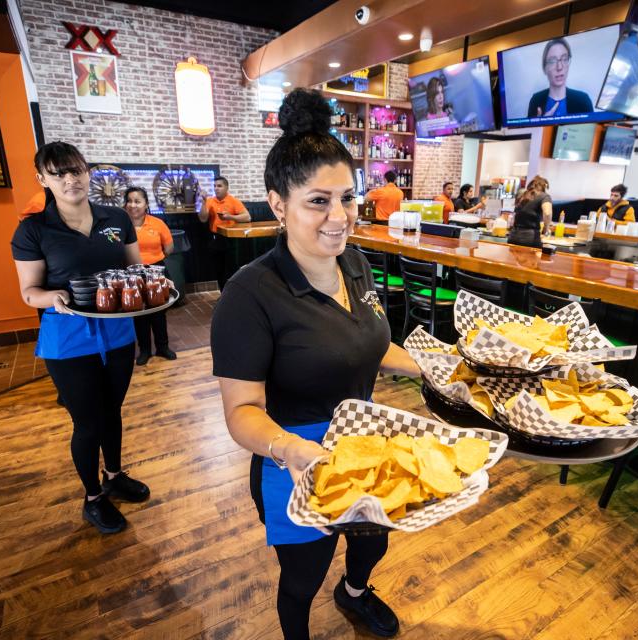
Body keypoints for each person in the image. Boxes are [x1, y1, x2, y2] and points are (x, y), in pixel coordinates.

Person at [210, 88, 421, 640]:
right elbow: (242, 413)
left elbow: (366, 345)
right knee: (303, 574)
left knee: (373, 540)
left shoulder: (353, 263)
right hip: (295, 455)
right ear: (278, 204)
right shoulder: (250, 294)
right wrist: (290, 449)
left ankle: (353, 593)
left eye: (348, 198)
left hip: (367, 442)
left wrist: (436, 370)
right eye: (318, 201)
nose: (340, 217)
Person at [11, 141, 150, 535]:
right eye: (58, 173)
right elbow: (29, 292)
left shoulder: (115, 218)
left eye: (76, 170)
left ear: (88, 172)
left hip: (119, 335)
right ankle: (93, 498)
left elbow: (133, 271)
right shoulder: (34, 230)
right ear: (43, 180)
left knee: (113, 412)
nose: (70, 179)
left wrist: (152, 287)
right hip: (69, 341)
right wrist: (52, 297)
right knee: (88, 423)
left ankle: (115, 474)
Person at [123, 187, 177, 365]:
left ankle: (163, 347)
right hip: (132, 273)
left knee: (159, 312)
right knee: (139, 313)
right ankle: (144, 350)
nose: (133, 205)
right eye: (129, 201)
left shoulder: (157, 223)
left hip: (156, 271)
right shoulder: (121, 224)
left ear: (146, 204)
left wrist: (154, 261)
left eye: (137, 201)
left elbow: (169, 248)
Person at [199, 176, 250, 289]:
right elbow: (203, 218)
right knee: (219, 270)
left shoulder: (233, 201)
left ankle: (235, 293)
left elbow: (247, 217)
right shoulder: (209, 201)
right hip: (215, 238)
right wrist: (203, 202)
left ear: (226, 187)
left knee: (233, 269)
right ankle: (223, 295)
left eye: (219, 186)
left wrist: (230, 217)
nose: (216, 188)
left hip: (232, 239)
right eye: (215, 186)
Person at [526, 37, 594, 119]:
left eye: (564, 59)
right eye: (552, 61)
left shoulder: (583, 100)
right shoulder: (536, 100)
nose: (559, 67)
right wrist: (538, 125)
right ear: (544, 68)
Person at [508, 174, 553, 248]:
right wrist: (546, 229)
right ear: (544, 186)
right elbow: (547, 213)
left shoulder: (522, 194)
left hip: (513, 236)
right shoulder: (544, 196)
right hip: (530, 239)